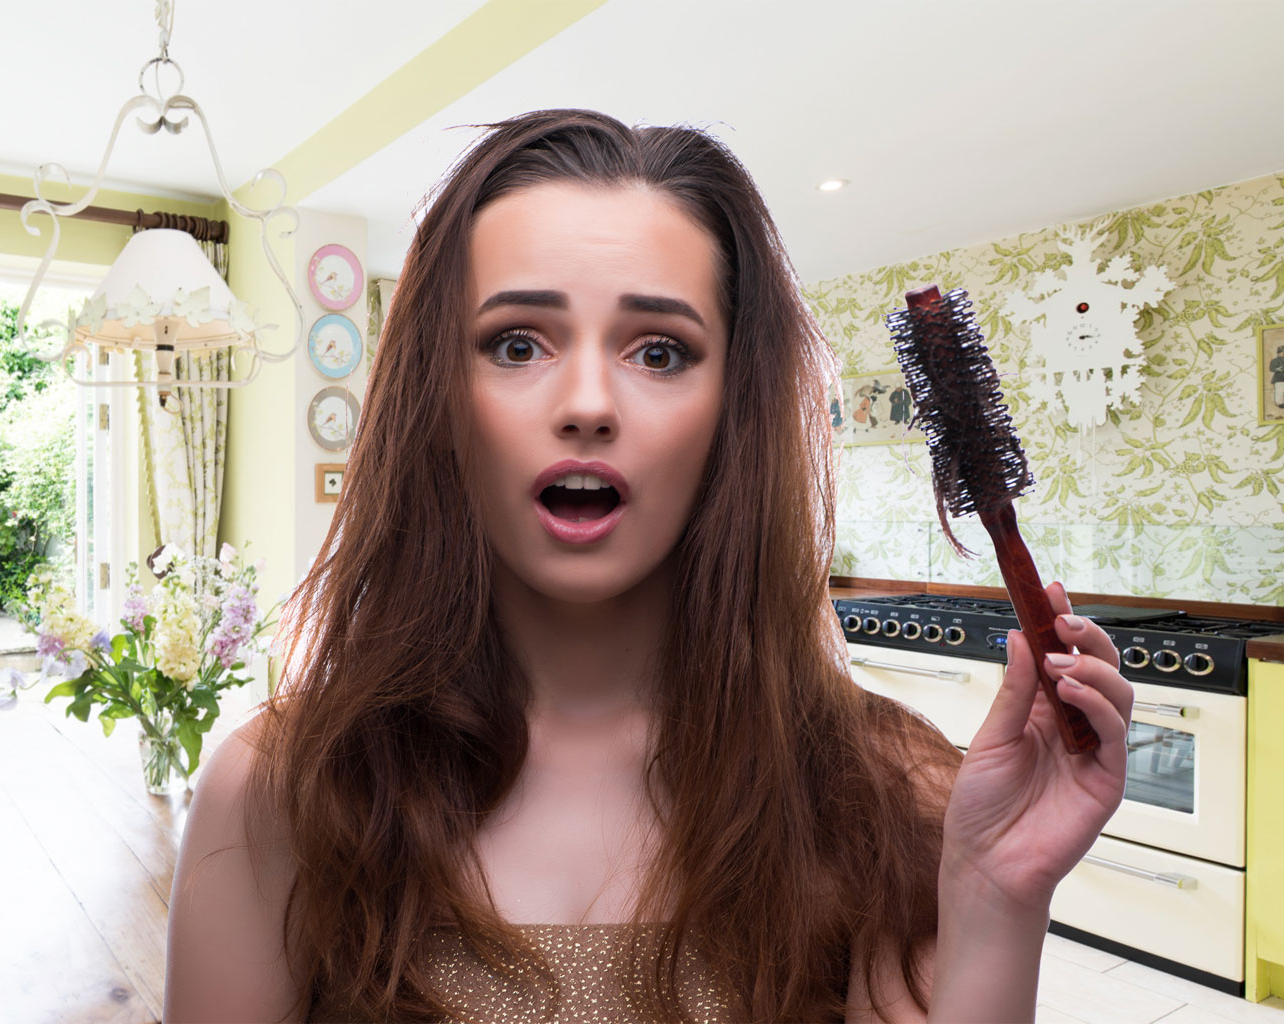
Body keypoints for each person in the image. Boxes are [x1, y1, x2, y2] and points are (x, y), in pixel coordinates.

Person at [163, 109, 1132, 1023]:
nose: (588, 401)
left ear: (734, 411)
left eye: (660, 351)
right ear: (439, 400)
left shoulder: (895, 790)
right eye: (517, 342)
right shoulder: (280, 792)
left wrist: (998, 900)